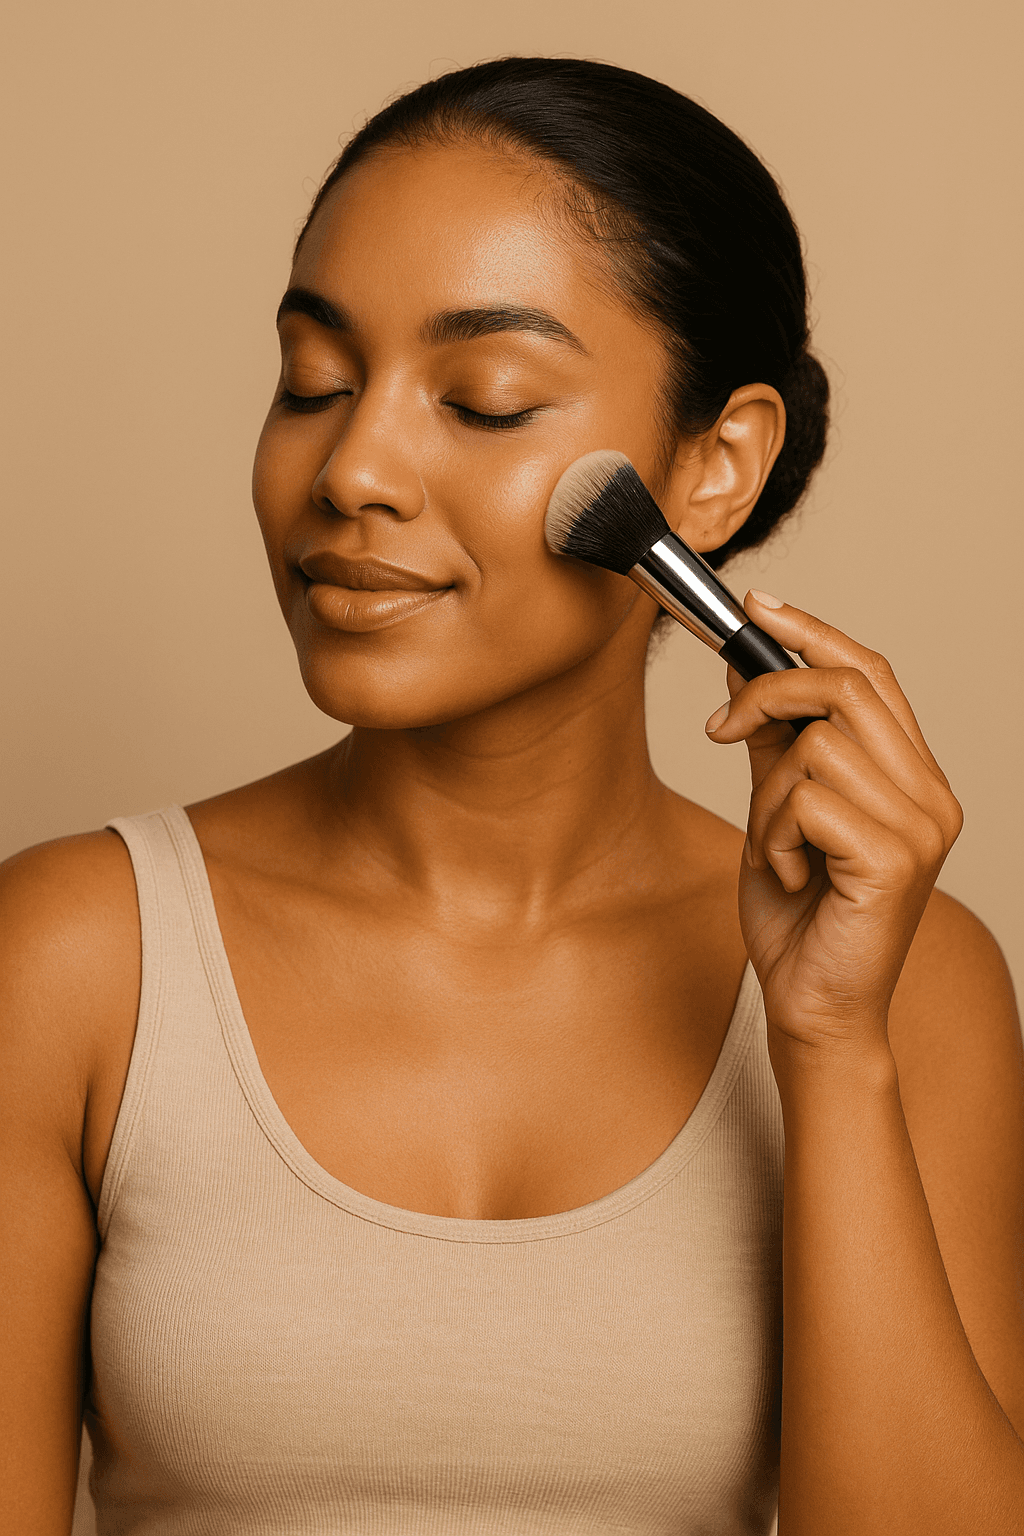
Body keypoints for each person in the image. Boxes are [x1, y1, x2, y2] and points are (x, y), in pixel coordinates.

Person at [3, 56, 1022, 1536]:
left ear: (716, 468)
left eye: (485, 402)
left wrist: (831, 1041)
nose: (353, 468)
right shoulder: (72, 960)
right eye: (313, 381)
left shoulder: (916, 985)